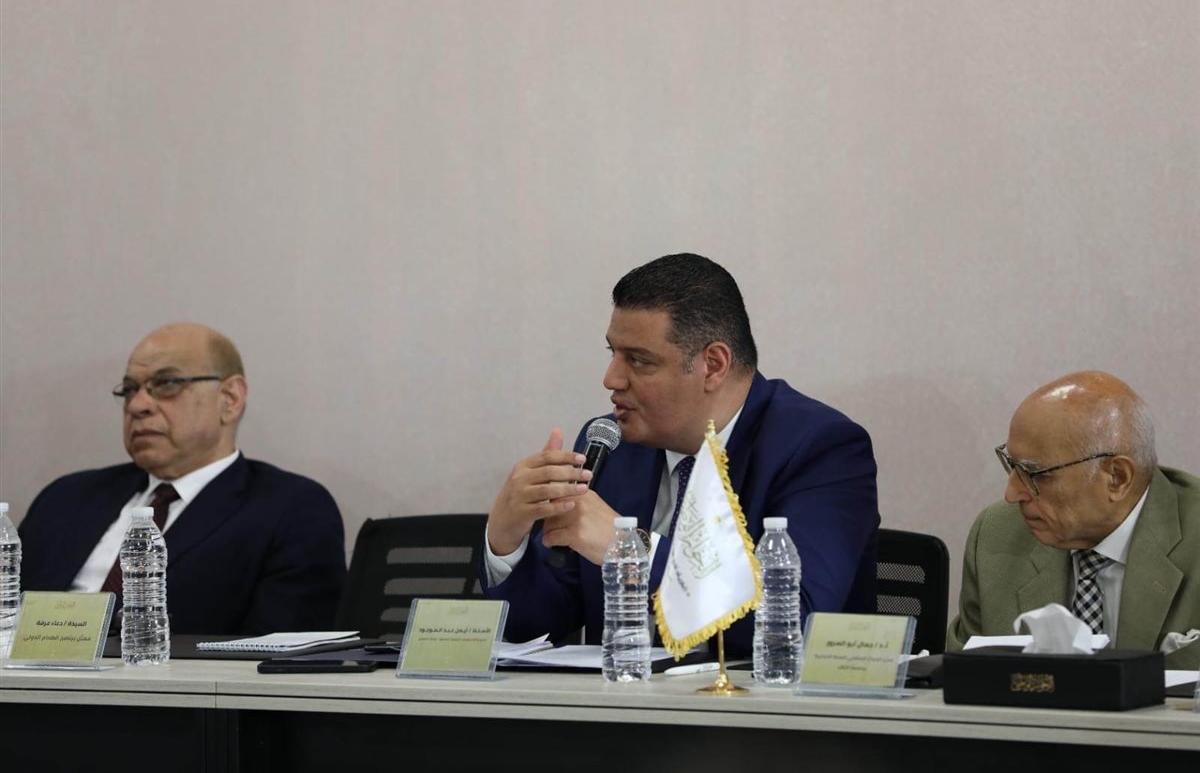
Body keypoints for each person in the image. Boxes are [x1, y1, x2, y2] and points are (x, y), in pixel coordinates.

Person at [482, 253, 879, 656]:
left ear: (713, 365)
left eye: (639, 360)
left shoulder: (820, 448)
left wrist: (631, 549)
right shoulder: (611, 445)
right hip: (623, 693)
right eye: (612, 353)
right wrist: (505, 539)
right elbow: (537, 625)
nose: (611, 379)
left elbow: (794, 621)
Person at [19, 323, 346, 634]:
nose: (138, 405)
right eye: (130, 389)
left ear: (229, 399)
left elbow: (276, 658)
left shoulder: (291, 510)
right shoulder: (66, 499)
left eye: (166, 384)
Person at [947, 371, 1200, 669]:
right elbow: (964, 681)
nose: (1012, 494)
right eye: (1012, 465)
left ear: (1117, 478)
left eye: (1035, 474)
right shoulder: (996, 535)